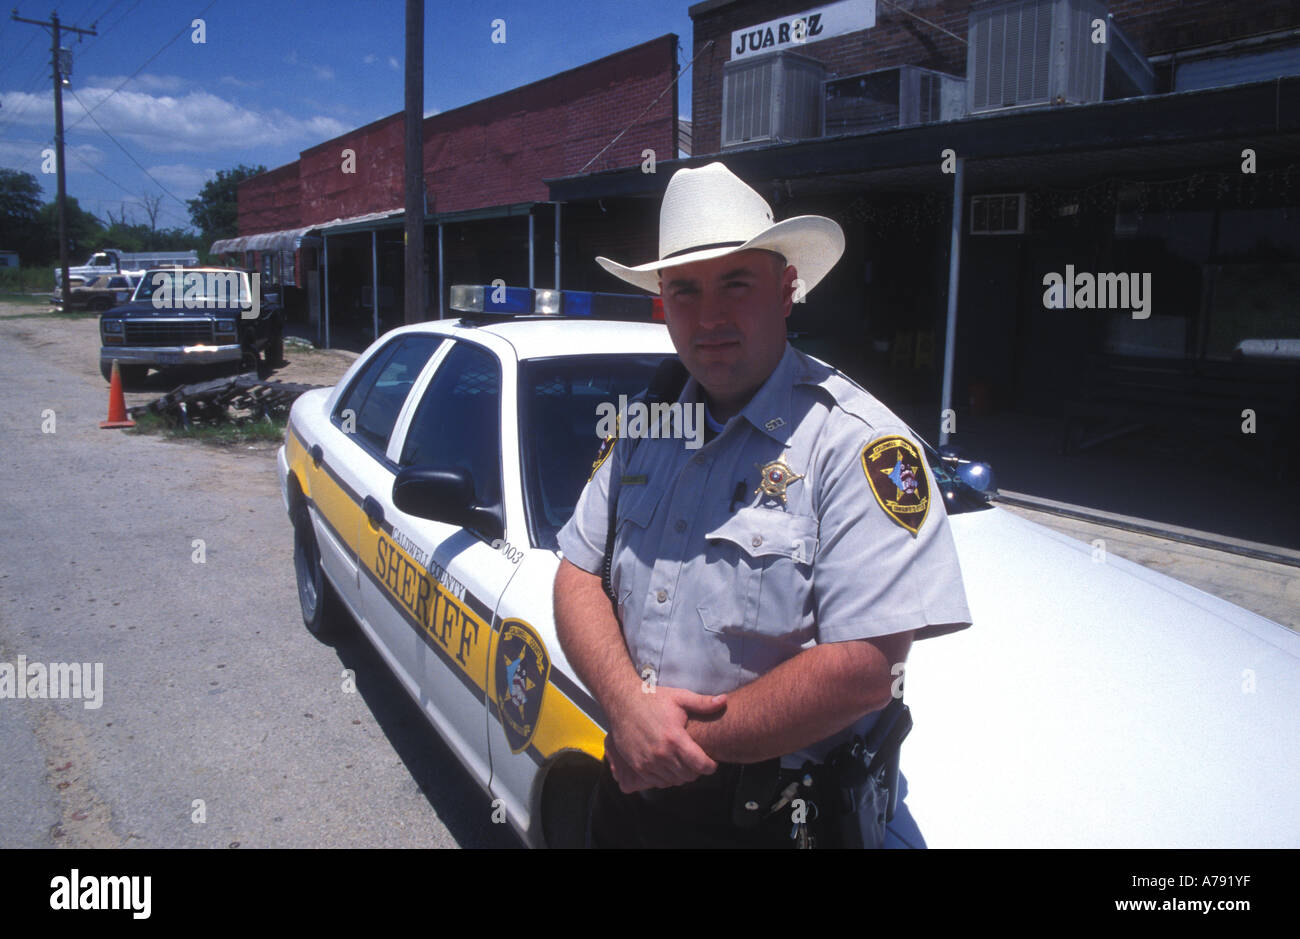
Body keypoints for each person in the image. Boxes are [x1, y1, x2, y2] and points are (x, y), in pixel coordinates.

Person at [553, 161, 972, 848]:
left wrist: (672, 742)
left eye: (736, 283)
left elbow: (868, 667)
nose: (710, 317)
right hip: (628, 796)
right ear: (663, 300)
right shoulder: (644, 426)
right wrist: (629, 711)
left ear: (786, 289)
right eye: (685, 290)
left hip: (777, 821)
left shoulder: (857, 445)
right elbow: (575, 572)